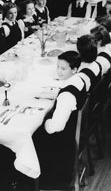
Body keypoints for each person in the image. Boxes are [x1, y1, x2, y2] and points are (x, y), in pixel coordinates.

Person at [34, 51, 84, 185]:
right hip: (75, 130)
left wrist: (45, 122)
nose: (58, 71)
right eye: (57, 67)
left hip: (63, 141)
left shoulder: (66, 96)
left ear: (74, 70)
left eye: (63, 69)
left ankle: (35, 178)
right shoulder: (80, 80)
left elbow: (55, 127)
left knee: (33, 132)